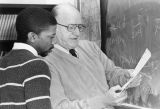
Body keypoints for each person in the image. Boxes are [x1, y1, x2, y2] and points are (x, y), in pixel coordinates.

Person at [45, 4, 140, 109]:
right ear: (54, 27)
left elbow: (112, 73)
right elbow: (60, 107)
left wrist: (126, 77)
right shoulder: (47, 63)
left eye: (79, 27)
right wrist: (103, 101)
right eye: (71, 27)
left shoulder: (90, 47)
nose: (77, 33)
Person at [0, 7, 57, 109]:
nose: (53, 42)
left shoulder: (2, 63)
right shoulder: (36, 65)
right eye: (51, 37)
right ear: (33, 37)